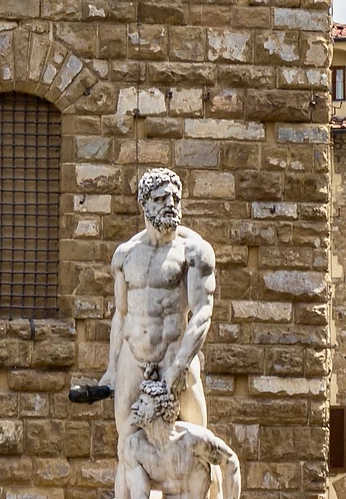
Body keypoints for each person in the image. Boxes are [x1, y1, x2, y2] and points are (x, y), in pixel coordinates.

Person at [98, 167, 217, 469]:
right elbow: (121, 314)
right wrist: (111, 368)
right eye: (162, 198)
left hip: (175, 356)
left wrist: (180, 367)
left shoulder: (194, 251)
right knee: (127, 447)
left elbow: (202, 311)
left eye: (176, 198)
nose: (171, 205)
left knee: (198, 444)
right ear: (144, 203)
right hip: (133, 358)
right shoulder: (125, 254)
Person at [117, 376, 242, 499]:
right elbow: (140, 495)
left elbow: (231, 462)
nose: (134, 407)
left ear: (159, 408)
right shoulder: (134, 448)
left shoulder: (193, 439)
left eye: (143, 402)